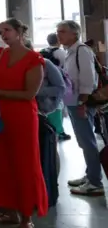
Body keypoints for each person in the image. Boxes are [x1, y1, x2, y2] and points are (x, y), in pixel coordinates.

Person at [0, 19, 48, 227]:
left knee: (23, 164)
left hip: (23, 117)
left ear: (20, 32)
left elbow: (29, 94)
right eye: (0, 31)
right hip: (0, 116)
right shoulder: (0, 55)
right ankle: (7, 211)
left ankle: (26, 215)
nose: (3, 34)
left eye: (7, 30)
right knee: (0, 163)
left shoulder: (33, 59)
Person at [57, 20, 105, 196]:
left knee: (88, 142)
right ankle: (90, 175)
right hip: (73, 102)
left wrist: (82, 103)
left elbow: (87, 80)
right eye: (58, 31)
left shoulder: (82, 51)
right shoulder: (71, 51)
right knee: (84, 142)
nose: (59, 35)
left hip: (80, 103)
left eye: (62, 31)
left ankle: (95, 182)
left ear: (74, 34)